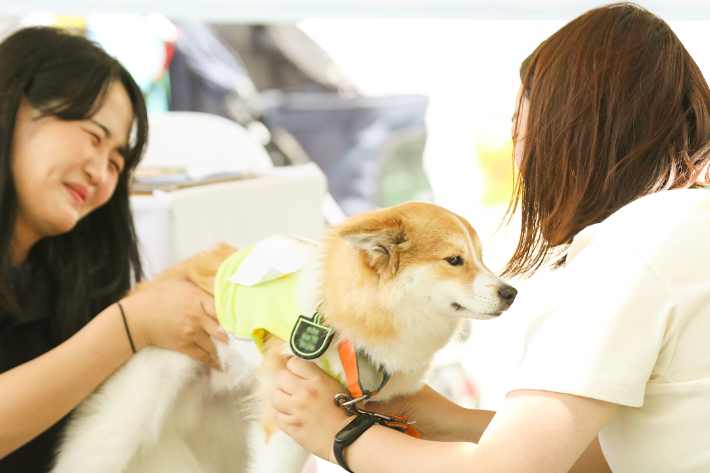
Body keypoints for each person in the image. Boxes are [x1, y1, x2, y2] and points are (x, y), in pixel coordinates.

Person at [270, 4, 710, 472]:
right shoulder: (688, 224)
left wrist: (337, 435)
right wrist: (453, 419)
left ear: (569, 131)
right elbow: (629, 452)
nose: (518, 152)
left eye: (518, 126)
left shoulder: (632, 251)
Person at [0, 26, 229, 471]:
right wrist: (129, 327)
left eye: (116, 161)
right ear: (12, 102)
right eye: (93, 136)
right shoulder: (116, 321)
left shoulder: (71, 277)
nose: (101, 173)